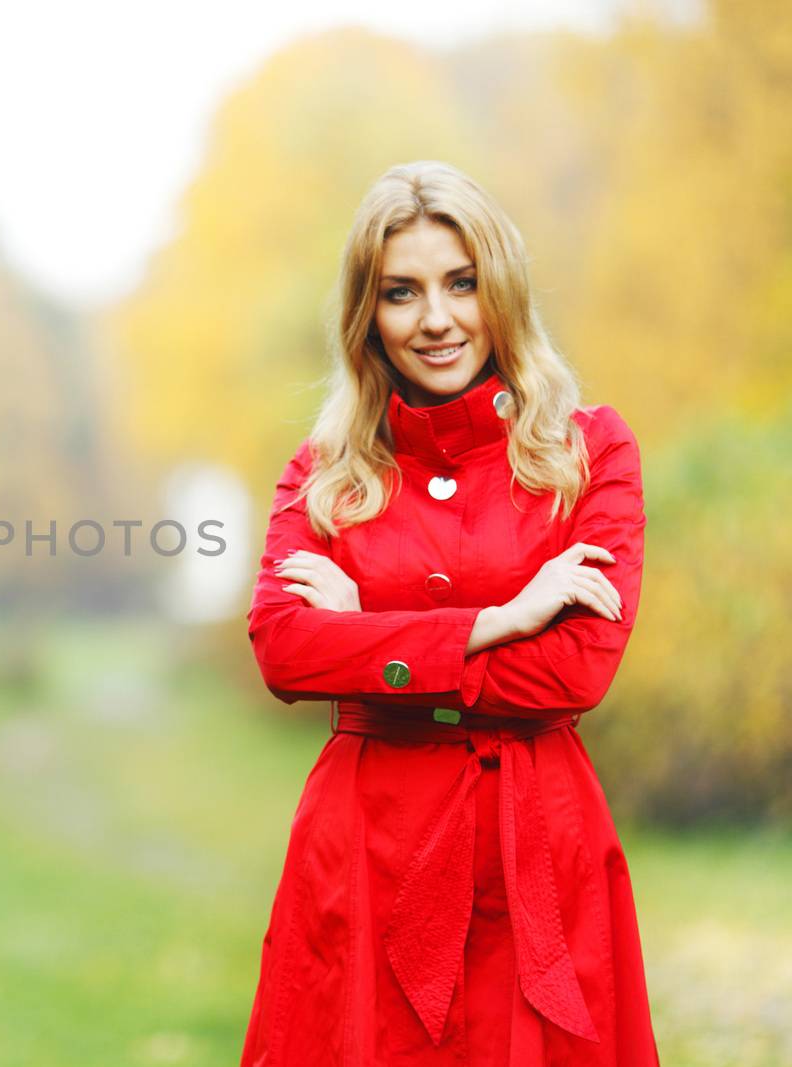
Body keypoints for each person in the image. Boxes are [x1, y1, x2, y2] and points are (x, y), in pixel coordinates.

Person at [237, 161, 662, 1066]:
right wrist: (498, 620)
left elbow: (577, 668)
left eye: (461, 283)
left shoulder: (590, 451)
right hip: (363, 851)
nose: (436, 318)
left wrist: (365, 638)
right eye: (402, 292)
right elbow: (283, 650)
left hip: (537, 848)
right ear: (368, 314)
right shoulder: (323, 477)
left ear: (499, 288)